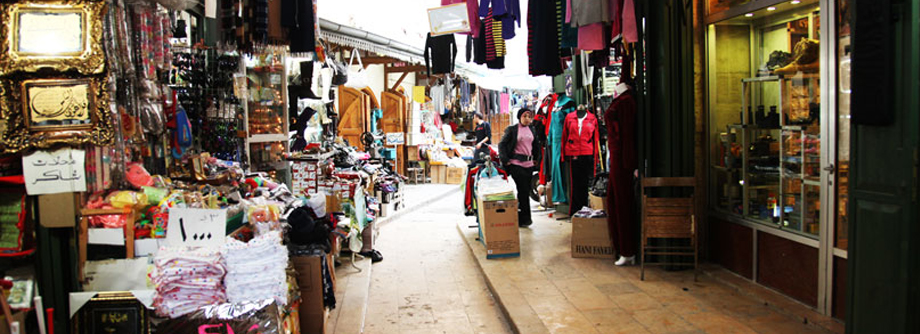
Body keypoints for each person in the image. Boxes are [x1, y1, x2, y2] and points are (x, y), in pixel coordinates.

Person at [499, 108, 545, 227]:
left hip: (529, 165)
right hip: (516, 164)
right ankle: (526, 218)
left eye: (529, 116)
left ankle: (521, 216)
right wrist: (506, 160)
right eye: (525, 116)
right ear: (519, 117)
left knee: (525, 191)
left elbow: (536, 145)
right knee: (523, 190)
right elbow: (502, 144)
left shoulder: (532, 130)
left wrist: (536, 159)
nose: (527, 119)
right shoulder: (513, 130)